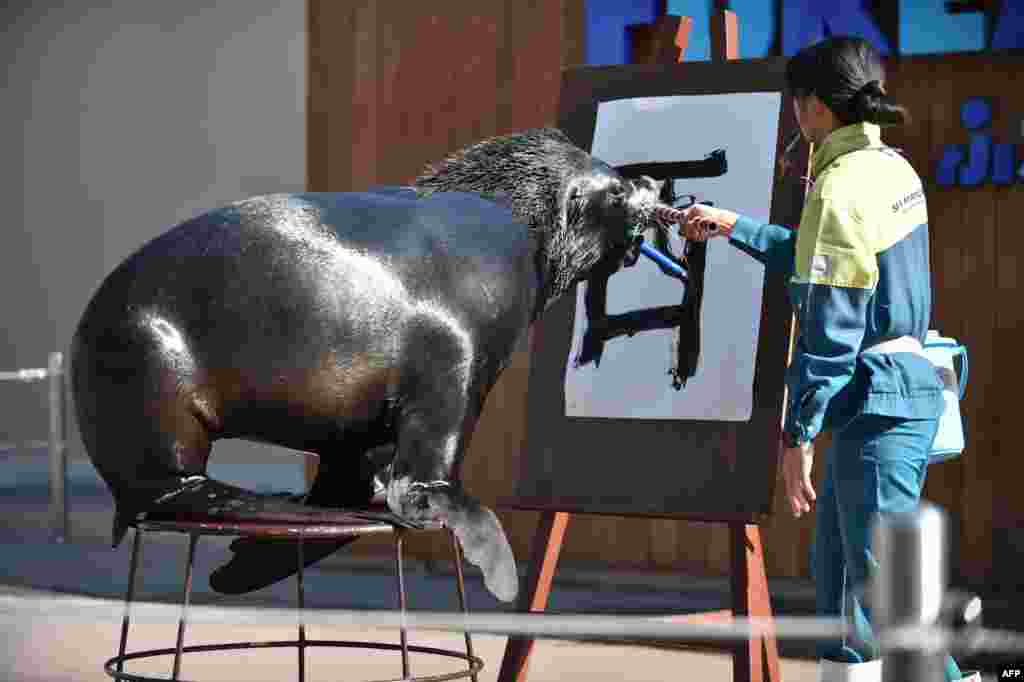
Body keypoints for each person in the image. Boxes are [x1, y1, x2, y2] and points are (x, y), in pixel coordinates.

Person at [679, 36, 976, 682]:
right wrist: (733, 225)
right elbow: (820, 259)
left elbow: (832, 328)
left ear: (812, 106)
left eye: (796, 102)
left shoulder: (840, 186)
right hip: (883, 399)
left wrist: (798, 436)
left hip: (877, 403)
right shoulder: (889, 168)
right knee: (844, 596)